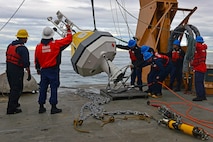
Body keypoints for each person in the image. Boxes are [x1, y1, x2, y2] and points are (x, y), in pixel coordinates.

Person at [34, 25, 72, 114]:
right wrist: (69, 30)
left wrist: (38, 69)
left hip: (44, 70)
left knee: (43, 88)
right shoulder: (56, 44)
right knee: (54, 88)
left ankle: (41, 106)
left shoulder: (38, 47)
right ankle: (53, 107)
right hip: (53, 70)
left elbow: (36, 59)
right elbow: (69, 39)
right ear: (52, 35)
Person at [6, 29, 31, 114]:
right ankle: (11, 109)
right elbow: (26, 63)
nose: (27, 39)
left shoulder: (10, 46)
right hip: (17, 70)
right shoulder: (23, 49)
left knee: (13, 88)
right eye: (26, 38)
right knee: (17, 89)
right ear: (24, 38)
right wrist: (29, 73)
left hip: (9, 69)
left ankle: (15, 104)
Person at [191, 36, 207, 101]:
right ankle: (203, 96)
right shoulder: (203, 49)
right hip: (202, 67)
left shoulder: (199, 48)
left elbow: (197, 46)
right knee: (201, 83)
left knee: (198, 83)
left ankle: (199, 96)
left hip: (199, 68)